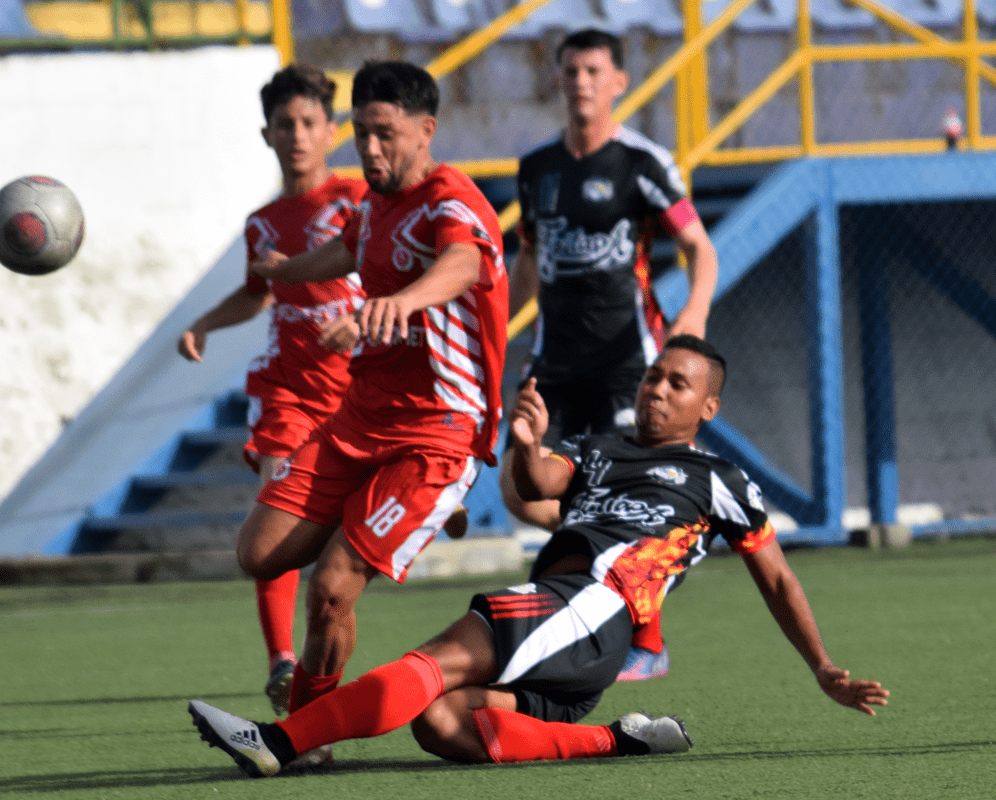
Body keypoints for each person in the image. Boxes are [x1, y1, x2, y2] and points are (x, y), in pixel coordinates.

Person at [188, 335, 889, 777]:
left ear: (707, 408)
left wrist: (823, 667)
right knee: (441, 723)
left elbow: (778, 580)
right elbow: (539, 483)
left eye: (678, 384)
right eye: (653, 377)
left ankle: (277, 744)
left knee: (432, 665)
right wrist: (526, 444)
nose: (657, 390)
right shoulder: (600, 448)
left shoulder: (722, 482)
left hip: (594, 604)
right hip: (565, 621)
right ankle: (622, 741)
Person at [236, 59, 508, 751]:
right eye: (361, 133)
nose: (371, 149)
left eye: (384, 133)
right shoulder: (376, 203)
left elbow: (462, 264)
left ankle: (301, 735)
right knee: (258, 553)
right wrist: (283, 271)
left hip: (437, 432)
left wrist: (399, 302)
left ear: (426, 130)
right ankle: (408, 510)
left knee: (330, 587)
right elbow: (346, 248)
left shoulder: (454, 200)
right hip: (361, 418)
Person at [500, 28, 720, 681]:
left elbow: (700, 249)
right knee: (520, 486)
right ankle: (601, 571)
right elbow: (531, 262)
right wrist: (498, 334)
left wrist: (693, 320)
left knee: (639, 493)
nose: (581, 82)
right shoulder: (536, 169)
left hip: (631, 364)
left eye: (594, 70)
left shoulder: (642, 163)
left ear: (619, 81)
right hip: (554, 363)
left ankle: (645, 638)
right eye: (570, 71)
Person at [176, 64, 369, 716]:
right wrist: (205, 320)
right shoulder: (261, 224)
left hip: (357, 391)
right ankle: (281, 663)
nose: (296, 135)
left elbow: (394, 274)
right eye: (284, 124)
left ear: (332, 130)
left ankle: (322, 660)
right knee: (274, 515)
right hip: (286, 390)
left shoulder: (358, 203)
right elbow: (258, 294)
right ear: (267, 134)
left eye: (309, 123)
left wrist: (365, 316)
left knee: (346, 548)